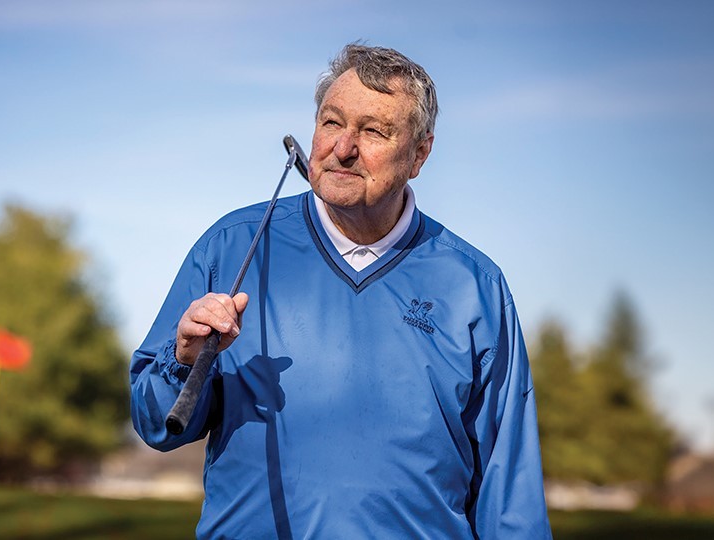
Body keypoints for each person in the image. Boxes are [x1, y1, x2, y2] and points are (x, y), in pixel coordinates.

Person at [129, 43, 551, 539]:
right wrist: (181, 361)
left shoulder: (476, 287)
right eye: (332, 123)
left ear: (420, 154)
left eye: (373, 130)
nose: (343, 148)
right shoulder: (232, 246)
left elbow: (511, 496)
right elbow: (156, 423)